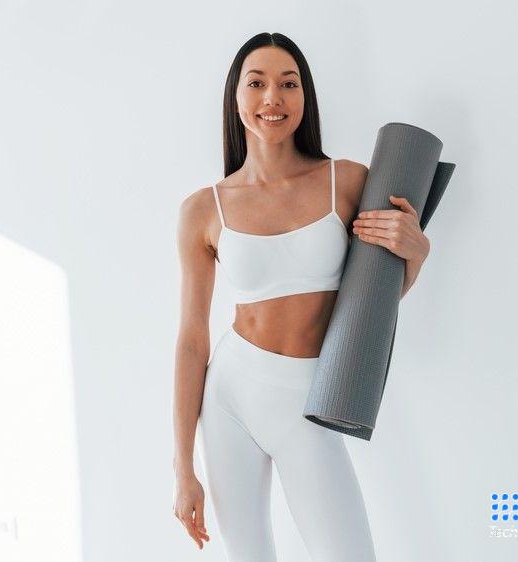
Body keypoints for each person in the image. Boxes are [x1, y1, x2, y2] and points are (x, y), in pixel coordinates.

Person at [172, 32, 431, 561]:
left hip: (309, 401)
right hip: (231, 397)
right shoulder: (203, 210)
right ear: (237, 98)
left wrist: (417, 253)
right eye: (258, 83)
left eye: (288, 84)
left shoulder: (348, 181)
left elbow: (377, 300)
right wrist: (183, 471)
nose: (273, 98)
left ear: (305, 97)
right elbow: (192, 341)